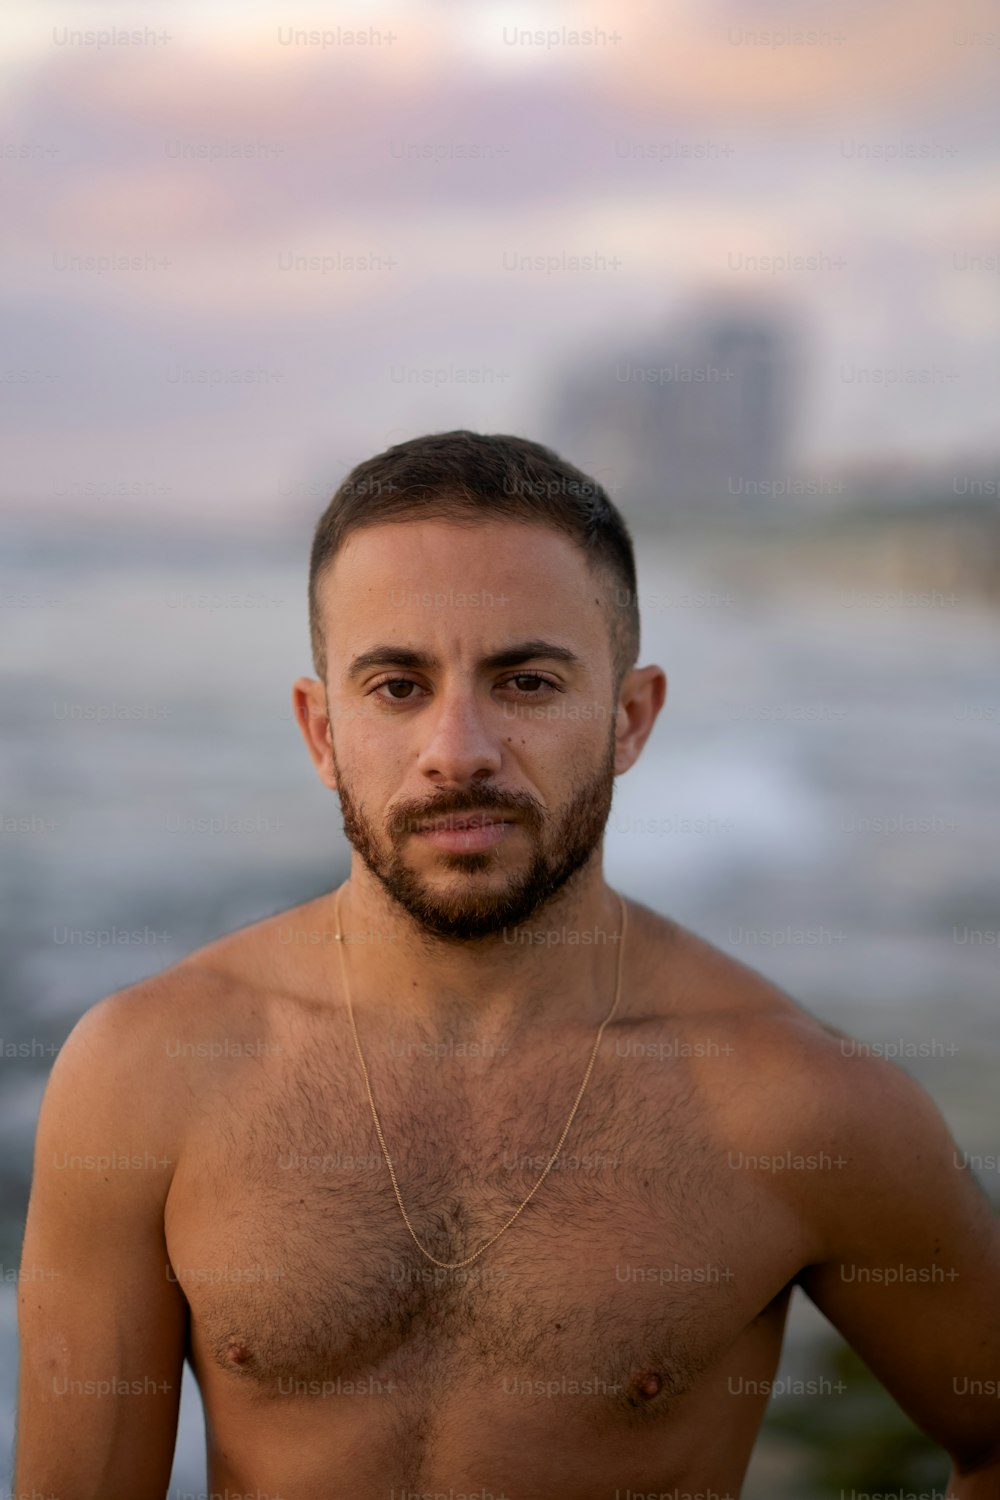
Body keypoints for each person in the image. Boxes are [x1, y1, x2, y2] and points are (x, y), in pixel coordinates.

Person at [15, 431, 1000, 1498]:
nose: (460, 749)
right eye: (396, 686)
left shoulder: (803, 1108)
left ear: (628, 718)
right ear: (319, 730)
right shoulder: (146, 1074)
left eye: (525, 681)